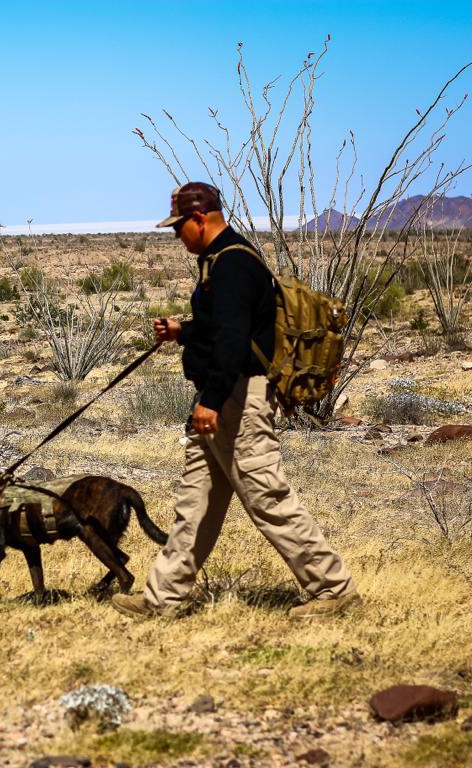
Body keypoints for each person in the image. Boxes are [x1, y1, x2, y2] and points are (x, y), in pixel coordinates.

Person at [111, 182, 360, 622]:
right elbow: (222, 327)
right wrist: (183, 332)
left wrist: (211, 400)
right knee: (196, 504)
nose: (177, 236)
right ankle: (162, 597)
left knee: (267, 495)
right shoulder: (219, 260)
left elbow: (232, 341)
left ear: (199, 219)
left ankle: (333, 589)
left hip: (238, 399)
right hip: (223, 398)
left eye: (179, 228)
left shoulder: (232, 263)